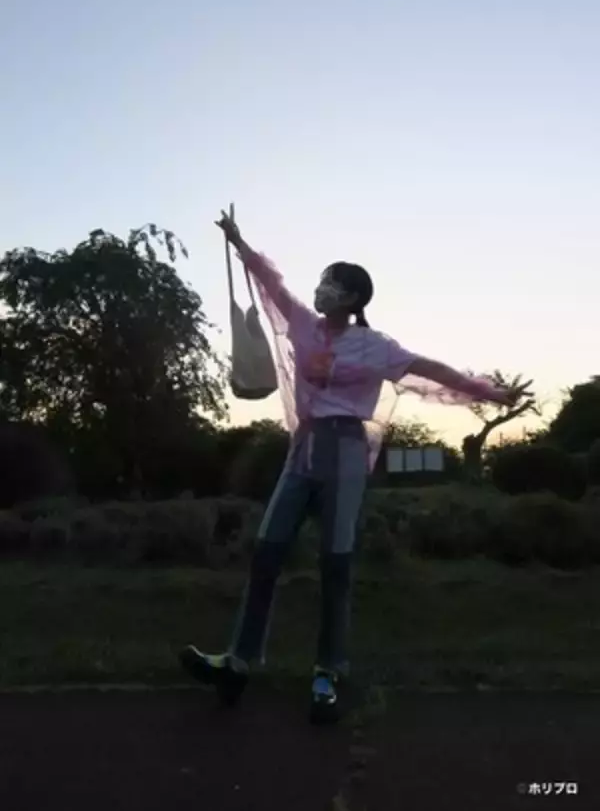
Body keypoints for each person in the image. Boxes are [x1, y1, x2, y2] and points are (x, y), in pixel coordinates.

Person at [179, 212, 529, 724]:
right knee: (267, 553)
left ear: (352, 298)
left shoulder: (374, 345)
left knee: (335, 564)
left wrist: (488, 392)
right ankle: (237, 663)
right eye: (322, 280)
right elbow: (271, 285)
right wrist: (237, 240)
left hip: (345, 452)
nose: (320, 288)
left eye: (331, 283)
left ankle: (327, 672)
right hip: (302, 451)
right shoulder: (304, 325)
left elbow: (428, 368)